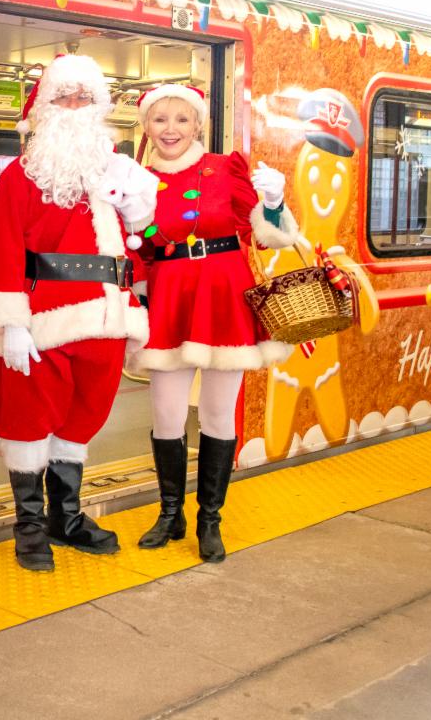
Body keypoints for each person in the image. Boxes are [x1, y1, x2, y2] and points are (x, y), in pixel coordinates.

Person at [0, 54, 157, 571]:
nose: (75, 107)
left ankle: (67, 516)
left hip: (104, 319)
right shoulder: (18, 175)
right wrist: (10, 322)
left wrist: (134, 211)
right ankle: (30, 527)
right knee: (29, 421)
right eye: (64, 97)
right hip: (43, 321)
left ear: (99, 106)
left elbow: (142, 241)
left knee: (83, 419)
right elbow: (5, 246)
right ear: (45, 108)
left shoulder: (116, 171)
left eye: (85, 98)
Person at [128, 84, 298, 563]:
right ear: (146, 126)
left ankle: (209, 519)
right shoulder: (137, 180)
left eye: (181, 120)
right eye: (160, 120)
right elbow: (135, 248)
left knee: (219, 415)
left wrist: (274, 202)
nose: (171, 130)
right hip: (169, 298)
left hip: (224, 296)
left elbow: (268, 237)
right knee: (166, 413)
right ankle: (169, 513)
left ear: (198, 124)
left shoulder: (227, 169)